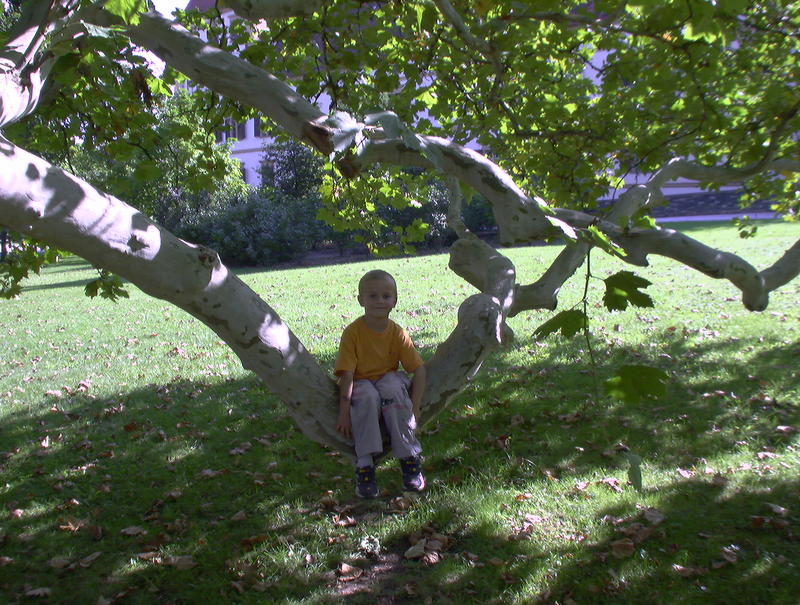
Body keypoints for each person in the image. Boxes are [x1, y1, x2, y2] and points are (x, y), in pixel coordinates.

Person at [334, 269, 427, 499]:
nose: (379, 301)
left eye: (386, 296)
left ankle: (409, 458)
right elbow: (346, 375)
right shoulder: (353, 333)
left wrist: (415, 407)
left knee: (392, 387)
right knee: (366, 395)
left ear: (395, 301)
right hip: (361, 380)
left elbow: (419, 370)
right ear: (361, 300)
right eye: (372, 296)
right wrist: (343, 412)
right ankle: (365, 465)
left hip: (388, 378)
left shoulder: (397, 333)